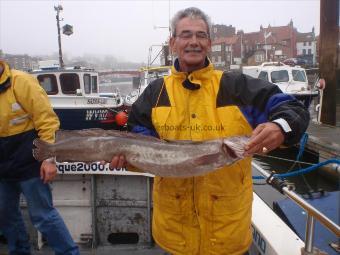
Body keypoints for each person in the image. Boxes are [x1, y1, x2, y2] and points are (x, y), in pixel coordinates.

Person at [110, 7, 309, 255]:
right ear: (173, 42)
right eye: (186, 35)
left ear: (209, 43)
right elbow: (141, 146)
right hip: (175, 236)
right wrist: (129, 160)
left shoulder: (236, 86)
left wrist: (280, 126)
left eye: (201, 35)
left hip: (228, 235)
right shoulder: (155, 93)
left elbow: (292, 108)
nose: (194, 42)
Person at [0, 60, 79, 255]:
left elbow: (47, 121)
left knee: (43, 216)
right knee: (5, 215)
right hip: (2, 168)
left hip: (30, 165)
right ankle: (19, 251)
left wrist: (49, 159)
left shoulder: (22, 82)